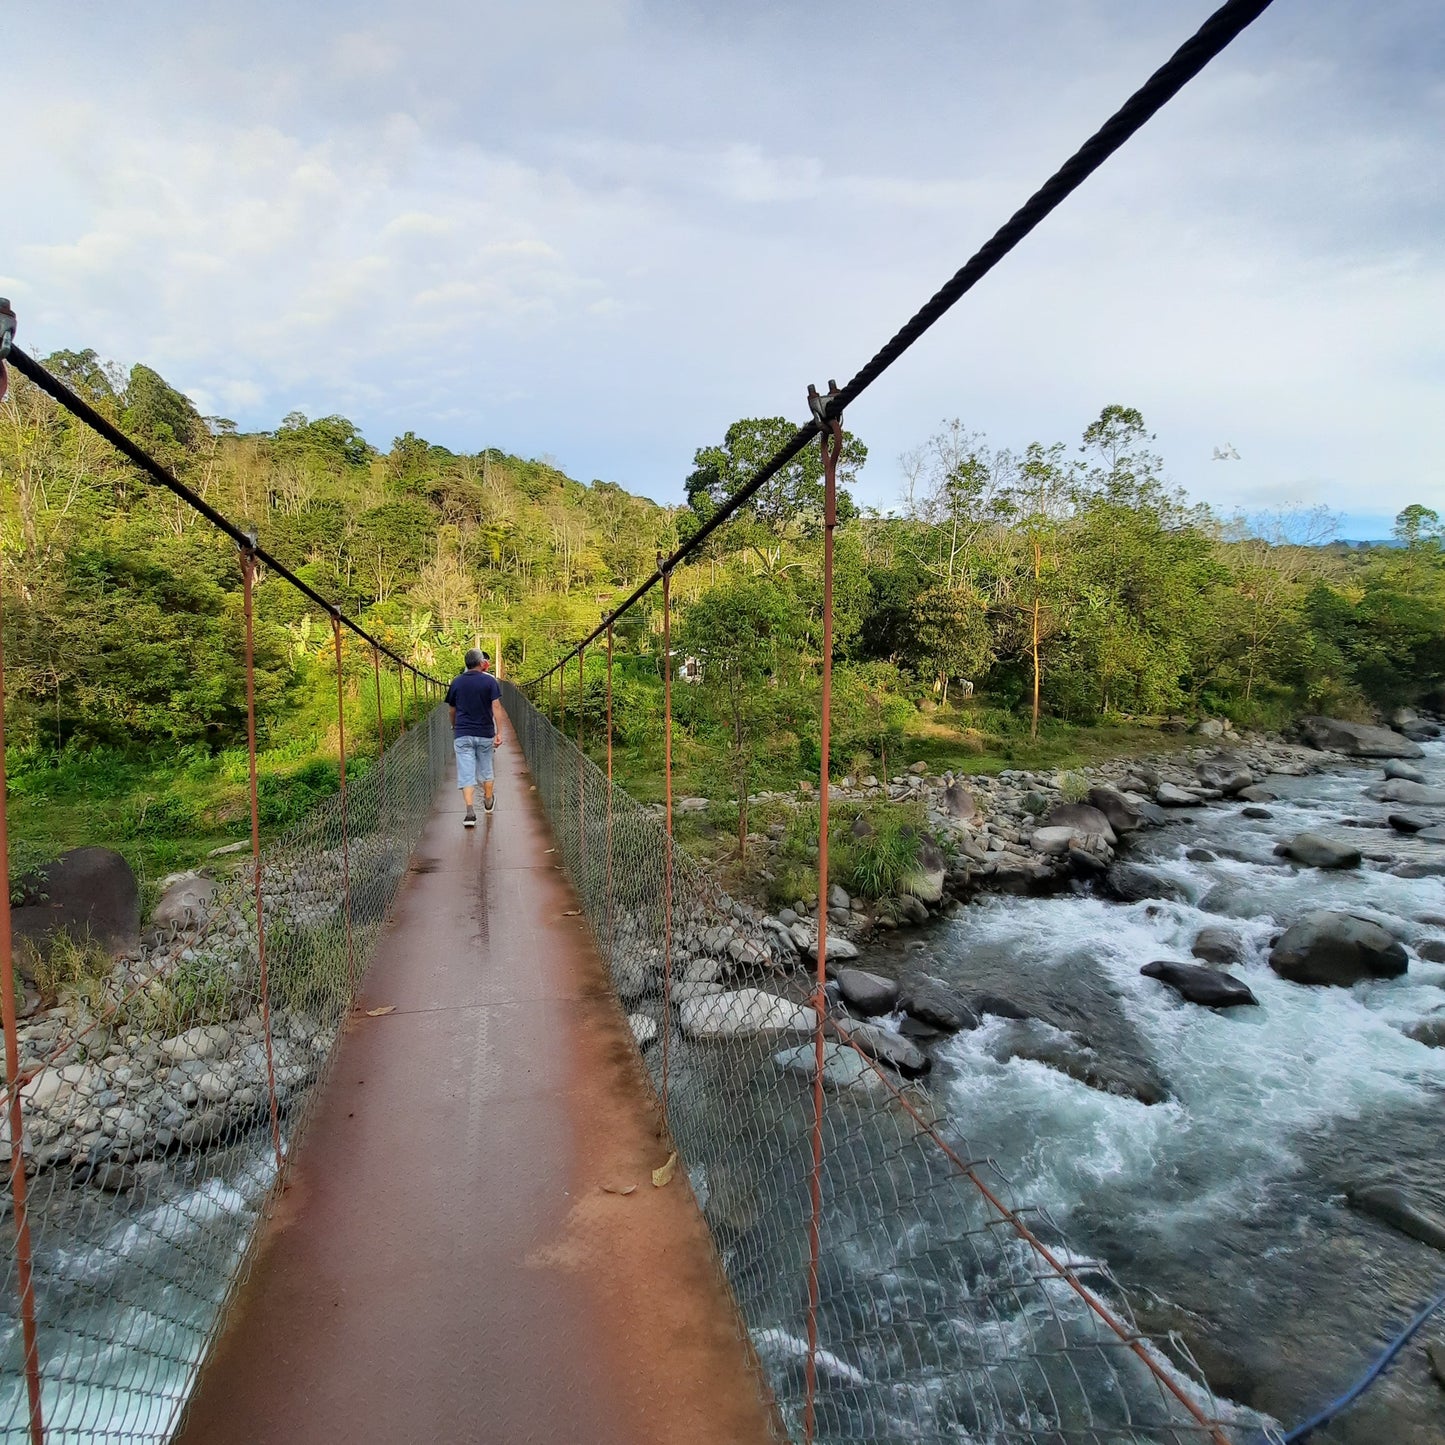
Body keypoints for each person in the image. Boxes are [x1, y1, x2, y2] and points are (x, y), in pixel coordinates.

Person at [446, 648, 504, 826]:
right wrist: (499, 732)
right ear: (481, 663)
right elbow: (496, 707)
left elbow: (452, 710)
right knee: (486, 769)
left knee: (466, 772)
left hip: (463, 733)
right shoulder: (490, 681)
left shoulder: (456, 682)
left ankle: (470, 812)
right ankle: (488, 800)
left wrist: (454, 726)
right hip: (485, 733)